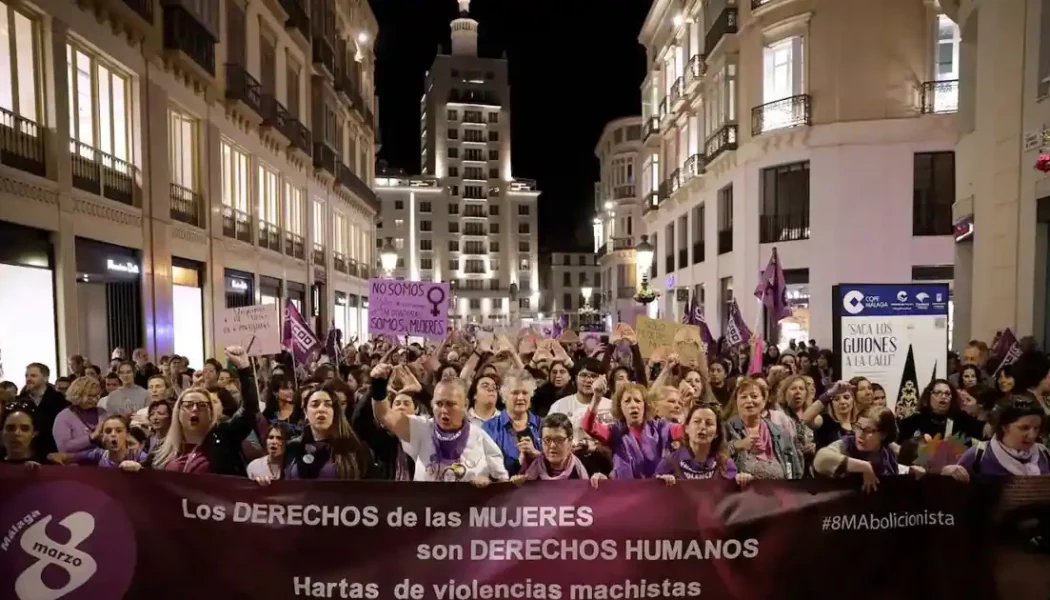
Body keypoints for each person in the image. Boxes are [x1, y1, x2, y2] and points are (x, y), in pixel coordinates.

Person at [124, 346, 258, 475]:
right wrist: (137, 469)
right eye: (188, 405)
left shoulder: (224, 436)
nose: (194, 409)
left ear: (211, 412)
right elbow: (148, 475)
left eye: (201, 405)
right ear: (178, 411)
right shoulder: (163, 447)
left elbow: (249, 410)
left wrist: (244, 369)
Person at [371, 364, 507, 484]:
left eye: (450, 404)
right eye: (439, 404)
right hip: (426, 511)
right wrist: (378, 384)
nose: (443, 410)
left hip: (466, 511)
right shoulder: (421, 429)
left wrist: (488, 482)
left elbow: (502, 483)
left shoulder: (479, 437)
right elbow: (385, 415)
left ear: (465, 405)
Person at [583, 382, 683, 480]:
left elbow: (686, 431)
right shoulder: (615, 431)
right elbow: (588, 426)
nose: (633, 405)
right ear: (620, 407)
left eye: (638, 400)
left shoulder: (660, 427)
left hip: (657, 491)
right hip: (625, 492)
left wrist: (687, 405)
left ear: (645, 405)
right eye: (627, 401)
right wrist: (596, 398)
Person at [814, 406, 924, 492]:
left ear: (883, 434)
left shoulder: (887, 452)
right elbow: (821, 459)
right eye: (858, 427)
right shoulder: (847, 444)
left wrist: (911, 471)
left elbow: (892, 475)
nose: (860, 435)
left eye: (868, 430)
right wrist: (863, 466)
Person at [281, 383, 374, 480]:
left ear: (335, 411)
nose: (321, 409)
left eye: (328, 404)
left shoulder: (355, 448)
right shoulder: (293, 447)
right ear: (305, 412)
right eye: (315, 405)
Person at [943, 397, 1050, 478]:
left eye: (1036, 428)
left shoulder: (1044, 454)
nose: (1033, 435)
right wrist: (948, 474)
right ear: (1005, 427)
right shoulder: (979, 455)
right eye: (1024, 428)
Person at [724, 377, 803, 479]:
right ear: (736, 402)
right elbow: (716, 458)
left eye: (754, 396)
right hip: (741, 492)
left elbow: (791, 466)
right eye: (743, 397)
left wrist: (790, 484)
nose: (749, 400)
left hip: (779, 490)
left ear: (763, 402)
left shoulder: (782, 433)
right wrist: (737, 445)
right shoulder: (727, 429)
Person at [654, 403, 750, 485]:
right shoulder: (670, 462)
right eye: (697, 421)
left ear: (717, 432)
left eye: (709, 423)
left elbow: (733, 498)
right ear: (686, 428)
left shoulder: (725, 464)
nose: (702, 427)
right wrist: (661, 483)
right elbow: (651, 494)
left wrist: (742, 481)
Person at [482, 370, 541, 477]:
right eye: (515, 392)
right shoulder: (489, 428)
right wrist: (518, 463)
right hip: (503, 489)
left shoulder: (542, 425)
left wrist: (537, 455)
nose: (520, 397)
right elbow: (486, 468)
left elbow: (556, 466)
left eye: (525, 393)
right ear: (504, 396)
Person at [48, 415, 146, 469]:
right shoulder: (98, 454)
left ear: (127, 435)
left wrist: (141, 468)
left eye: (119, 431)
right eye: (108, 431)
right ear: (102, 436)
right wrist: (56, 459)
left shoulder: (139, 456)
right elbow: (59, 456)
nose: (113, 434)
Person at [514, 413, 589, 481]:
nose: (552, 445)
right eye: (547, 440)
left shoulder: (579, 471)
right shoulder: (531, 470)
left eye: (559, 439)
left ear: (570, 441)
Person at [17, 362, 70, 456]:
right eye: (26, 376)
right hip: (26, 451)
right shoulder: (20, 400)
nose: (28, 379)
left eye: (33, 376)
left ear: (45, 378)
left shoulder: (59, 400)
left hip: (51, 451)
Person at [52, 376, 107, 453]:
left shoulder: (102, 412)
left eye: (97, 395)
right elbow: (63, 448)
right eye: (90, 396)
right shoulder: (64, 417)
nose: (95, 399)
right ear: (77, 395)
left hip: (102, 461)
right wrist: (91, 437)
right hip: (75, 463)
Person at [1, 401, 54, 465]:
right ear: (2, 431)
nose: (17, 433)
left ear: (34, 433)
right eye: (10, 428)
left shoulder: (46, 465)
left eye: (25, 429)